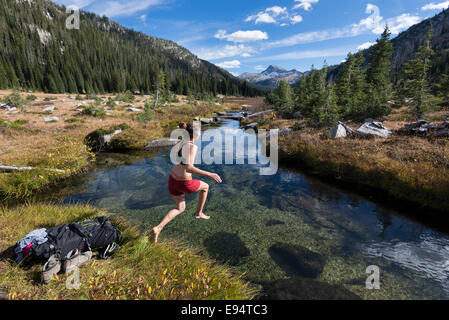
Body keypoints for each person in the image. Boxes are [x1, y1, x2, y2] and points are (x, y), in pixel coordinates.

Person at [150, 122, 222, 243]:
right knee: (206, 187)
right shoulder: (193, 147)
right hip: (183, 183)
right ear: (197, 134)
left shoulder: (181, 142)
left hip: (172, 179)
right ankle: (199, 213)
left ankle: (158, 228)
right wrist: (209, 174)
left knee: (180, 208)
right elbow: (189, 168)